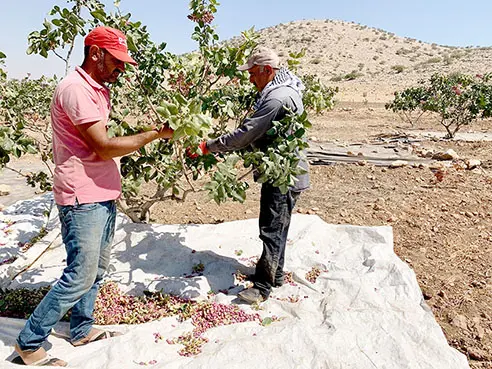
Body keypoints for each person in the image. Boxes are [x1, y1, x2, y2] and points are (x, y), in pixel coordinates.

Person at [13, 26, 173, 367]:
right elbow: (101, 146)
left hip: (100, 191)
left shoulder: (97, 89)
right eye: (116, 61)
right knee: (81, 273)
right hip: (80, 195)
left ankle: (81, 328)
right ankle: (29, 341)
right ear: (95, 54)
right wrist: (154, 135)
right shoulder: (75, 90)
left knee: (97, 269)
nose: (122, 69)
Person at [190, 46, 309, 304]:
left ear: (268, 70)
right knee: (279, 226)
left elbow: (246, 134)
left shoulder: (276, 98)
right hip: (285, 172)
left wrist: (207, 147)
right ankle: (275, 274)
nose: (250, 79)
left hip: (282, 176)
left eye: (254, 73)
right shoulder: (285, 89)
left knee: (272, 228)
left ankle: (263, 286)